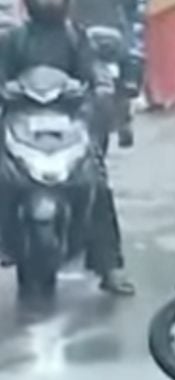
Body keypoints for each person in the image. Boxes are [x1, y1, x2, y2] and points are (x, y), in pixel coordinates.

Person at [0, 0, 134, 295]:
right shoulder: (11, 40)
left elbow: (97, 71)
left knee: (97, 184)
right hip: (20, 122)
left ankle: (109, 266)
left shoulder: (78, 38)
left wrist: (101, 90)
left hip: (69, 125)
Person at [141, 0, 175, 111]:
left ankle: (168, 95)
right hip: (159, 10)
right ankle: (159, 95)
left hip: (172, 8)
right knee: (157, 53)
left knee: (170, 53)